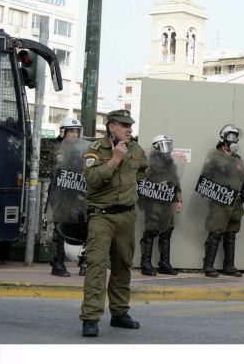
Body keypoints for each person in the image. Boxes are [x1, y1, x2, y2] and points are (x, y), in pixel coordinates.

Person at [79, 109, 148, 337]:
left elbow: (142, 173)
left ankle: (119, 313)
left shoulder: (137, 150)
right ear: (111, 127)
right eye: (124, 125)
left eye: (130, 125)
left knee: (122, 265)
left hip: (127, 216)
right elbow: (91, 180)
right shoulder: (95, 150)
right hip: (102, 216)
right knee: (97, 266)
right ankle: (90, 317)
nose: (129, 129)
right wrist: (115, 160)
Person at [201, 124, 244, 278]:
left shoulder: (237, 158)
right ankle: (208, 265)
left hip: (235, 202)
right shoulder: (214, 157)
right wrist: (215, 191)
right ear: (223, 138)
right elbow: (205, 177)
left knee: (231, 233)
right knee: (216, 232)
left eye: (236, 137)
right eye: (230, 136)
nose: (234, 140)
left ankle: (229, 265)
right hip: (219, 202)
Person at [139, 135, 183, 276]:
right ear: (156, 147)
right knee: (151, 231)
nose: (168, 149)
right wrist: (157, 185)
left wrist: (179, 200)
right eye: (165, 145)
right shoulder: (148, 164)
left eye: (169, 145)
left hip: (167, 202)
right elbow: (140, 182)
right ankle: (145, 263)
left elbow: (176, 183)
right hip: (153, 202)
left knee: (167, 231)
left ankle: (164, 263)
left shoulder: (171, 164)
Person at [49, 117, 84, 277]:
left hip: (78, 194)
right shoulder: (60, 150)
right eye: (71, 131)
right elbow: (60, 170)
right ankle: (58, 263)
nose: (75, 135)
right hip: (63, 196)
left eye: (77, 131)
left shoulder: (82, 150)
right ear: (63, 132)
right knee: (62, 229)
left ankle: (84, 263)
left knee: (84, 227)